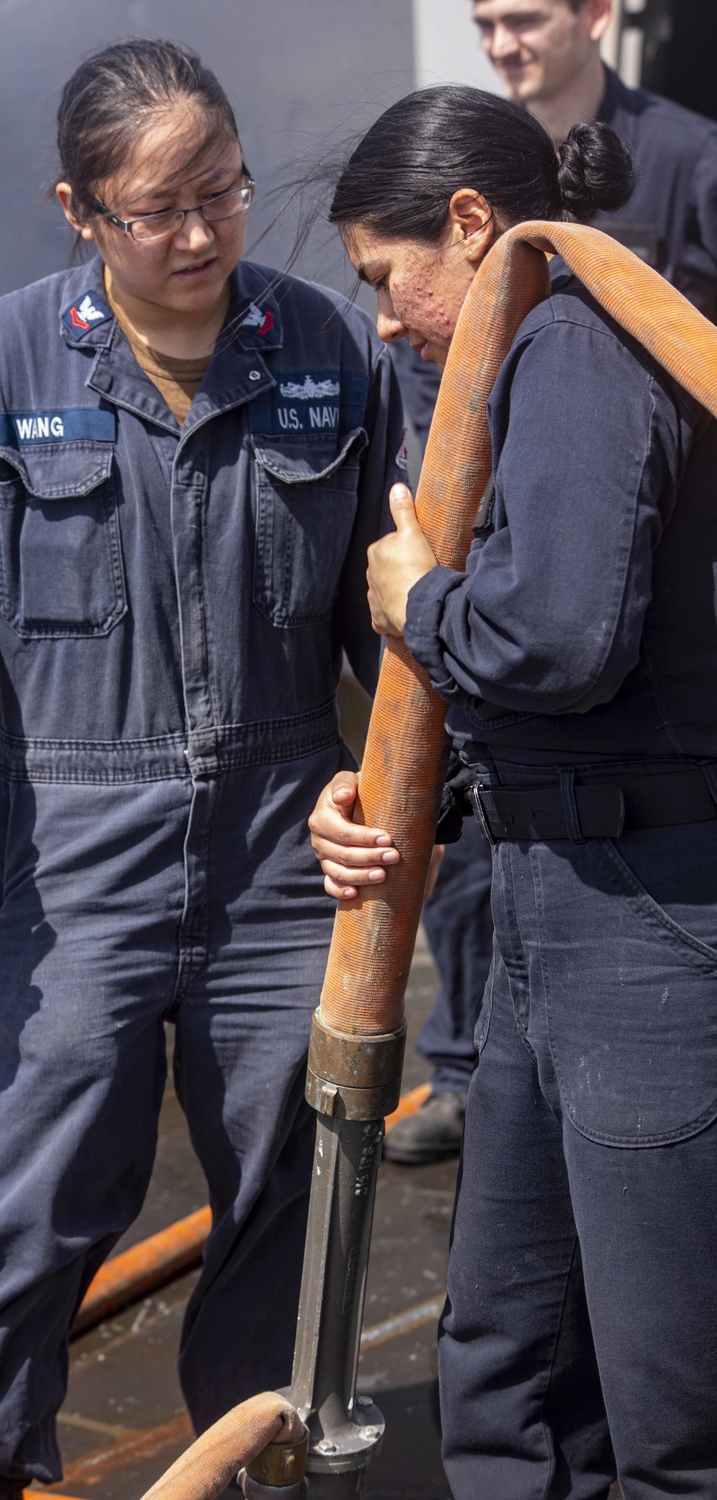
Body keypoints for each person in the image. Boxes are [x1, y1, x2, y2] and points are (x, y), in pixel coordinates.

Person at [0, 38, 404, 1500]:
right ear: (78, 210)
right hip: (76, 842)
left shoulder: (326, 352)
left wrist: (408, 783)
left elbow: (391, 609)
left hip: (282, 841)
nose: (204, 234)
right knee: (35, 1176)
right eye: (159, 209)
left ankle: (251, 1459)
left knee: (292, 1172)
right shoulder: (4, 361)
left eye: (221, 190)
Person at [309, 83, 717, 1494]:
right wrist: (408, 801)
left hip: (645, 921)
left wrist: (421, 603)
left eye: (385, 273)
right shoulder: (545, 346)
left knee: (673, 1400)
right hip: (559, 911)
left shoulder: (582, 345)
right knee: (509, 1353)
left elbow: (560, 639)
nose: (380, 315)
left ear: (470, 223)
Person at [383, 0, 717, 1167]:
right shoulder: (478, 260)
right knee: (507, 1321)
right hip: (513, 729)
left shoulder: (673, 178)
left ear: (598, 14)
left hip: (636, 763)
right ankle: (463, 1067)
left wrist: (427, 602)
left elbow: (569, 625)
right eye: (481, 22)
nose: (501, 41)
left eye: (523, 16)